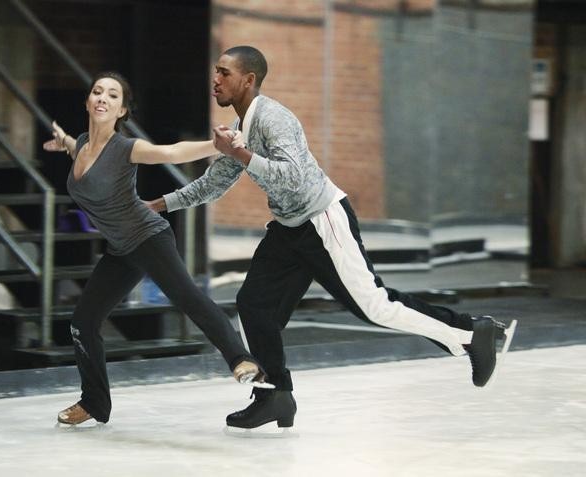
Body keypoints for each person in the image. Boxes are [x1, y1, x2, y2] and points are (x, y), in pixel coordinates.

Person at [145, 46, 514, 430]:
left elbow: (293, 177)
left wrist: (241, 155)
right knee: (255, 305)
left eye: (224, 73)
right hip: (289, 228)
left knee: (373, 306)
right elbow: (213, 184)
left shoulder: (274, 118)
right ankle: (275, 395)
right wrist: (157, 205)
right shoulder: (242, 130)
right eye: (215, 72)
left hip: (323, 219)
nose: (215, 80)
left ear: (248, 80)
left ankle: (471, 332)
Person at [43, 71, 267, 426]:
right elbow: (84, 156)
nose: (102, 98)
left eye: (112, 95)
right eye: (97, 92)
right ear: (88, 102)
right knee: (82, 323)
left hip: (148, 237)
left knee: (188, 298)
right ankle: (94, 403)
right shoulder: (83, 144)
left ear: (121, 111)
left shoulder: (126, 148)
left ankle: (242, 359)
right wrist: (68, 143)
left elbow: (171, 152)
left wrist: (217, 146)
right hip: (120, 248)